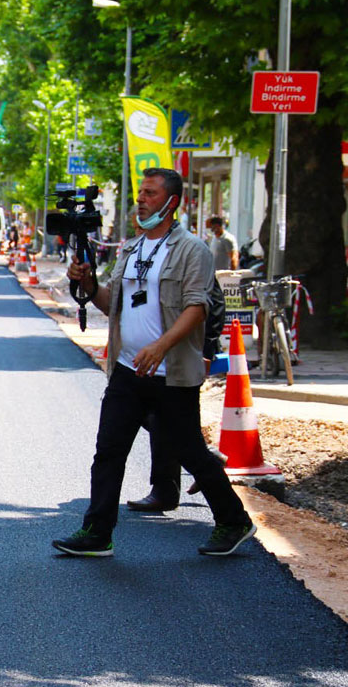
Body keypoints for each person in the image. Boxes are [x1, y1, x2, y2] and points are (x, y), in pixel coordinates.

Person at [53, 167, 255, 558]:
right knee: (109, 450)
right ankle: (97, 533)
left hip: (171, 375)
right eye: (140, 192)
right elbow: (113, 305)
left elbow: (197, 307)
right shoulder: (131, 249)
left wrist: (161, 347)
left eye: (149, 193)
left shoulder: (191, 250)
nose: (140, 199)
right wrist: (89, 284)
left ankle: (234, 521)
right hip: (128, 370)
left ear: (171, 201)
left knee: (191, 452)